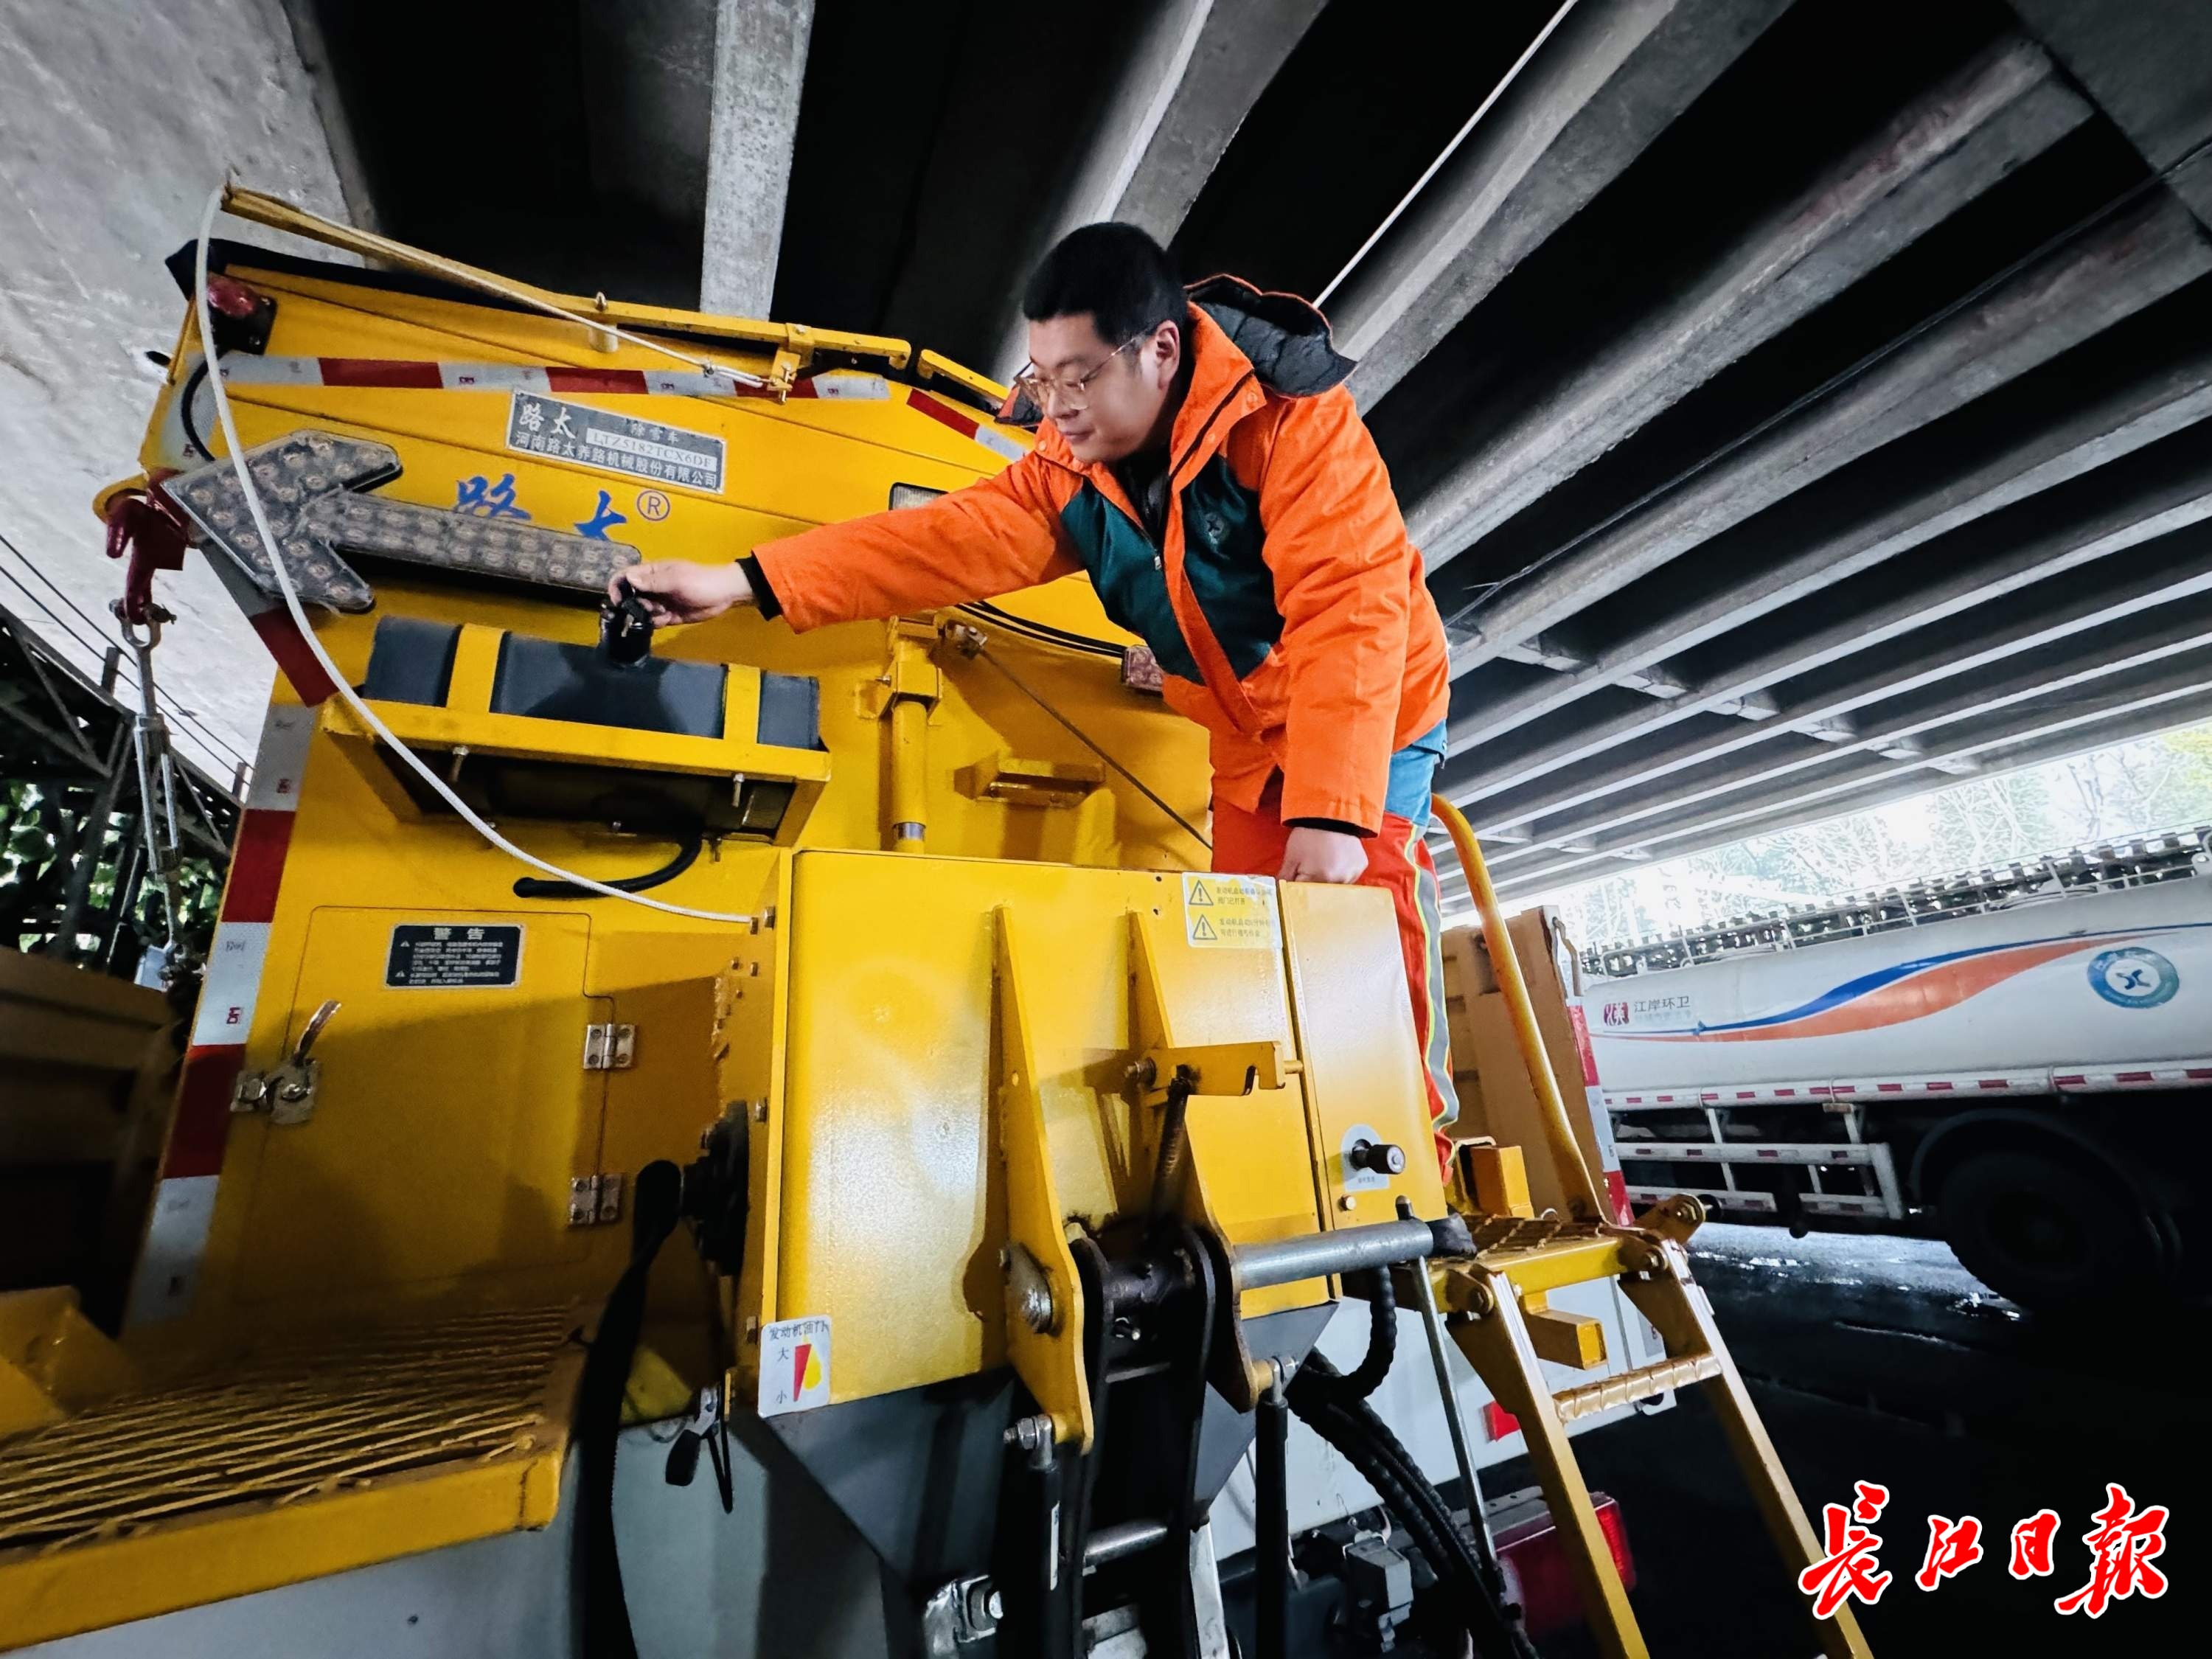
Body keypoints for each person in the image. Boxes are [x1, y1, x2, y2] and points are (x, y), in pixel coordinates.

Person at [616, 223, 1455, 1155]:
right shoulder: (1069, 473)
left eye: (1080, 377)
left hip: (1371, 719)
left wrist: (1334, 814)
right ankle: (1290, 1174)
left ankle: (1423, 1178)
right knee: (1253, 965)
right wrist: (741, 581)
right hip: (1249, 737)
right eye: (1042, 379)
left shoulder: (1290, 418)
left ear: (1160, 350)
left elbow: (1349, 607)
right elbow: (933, 545)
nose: (1057, 407)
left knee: (1362, 951)